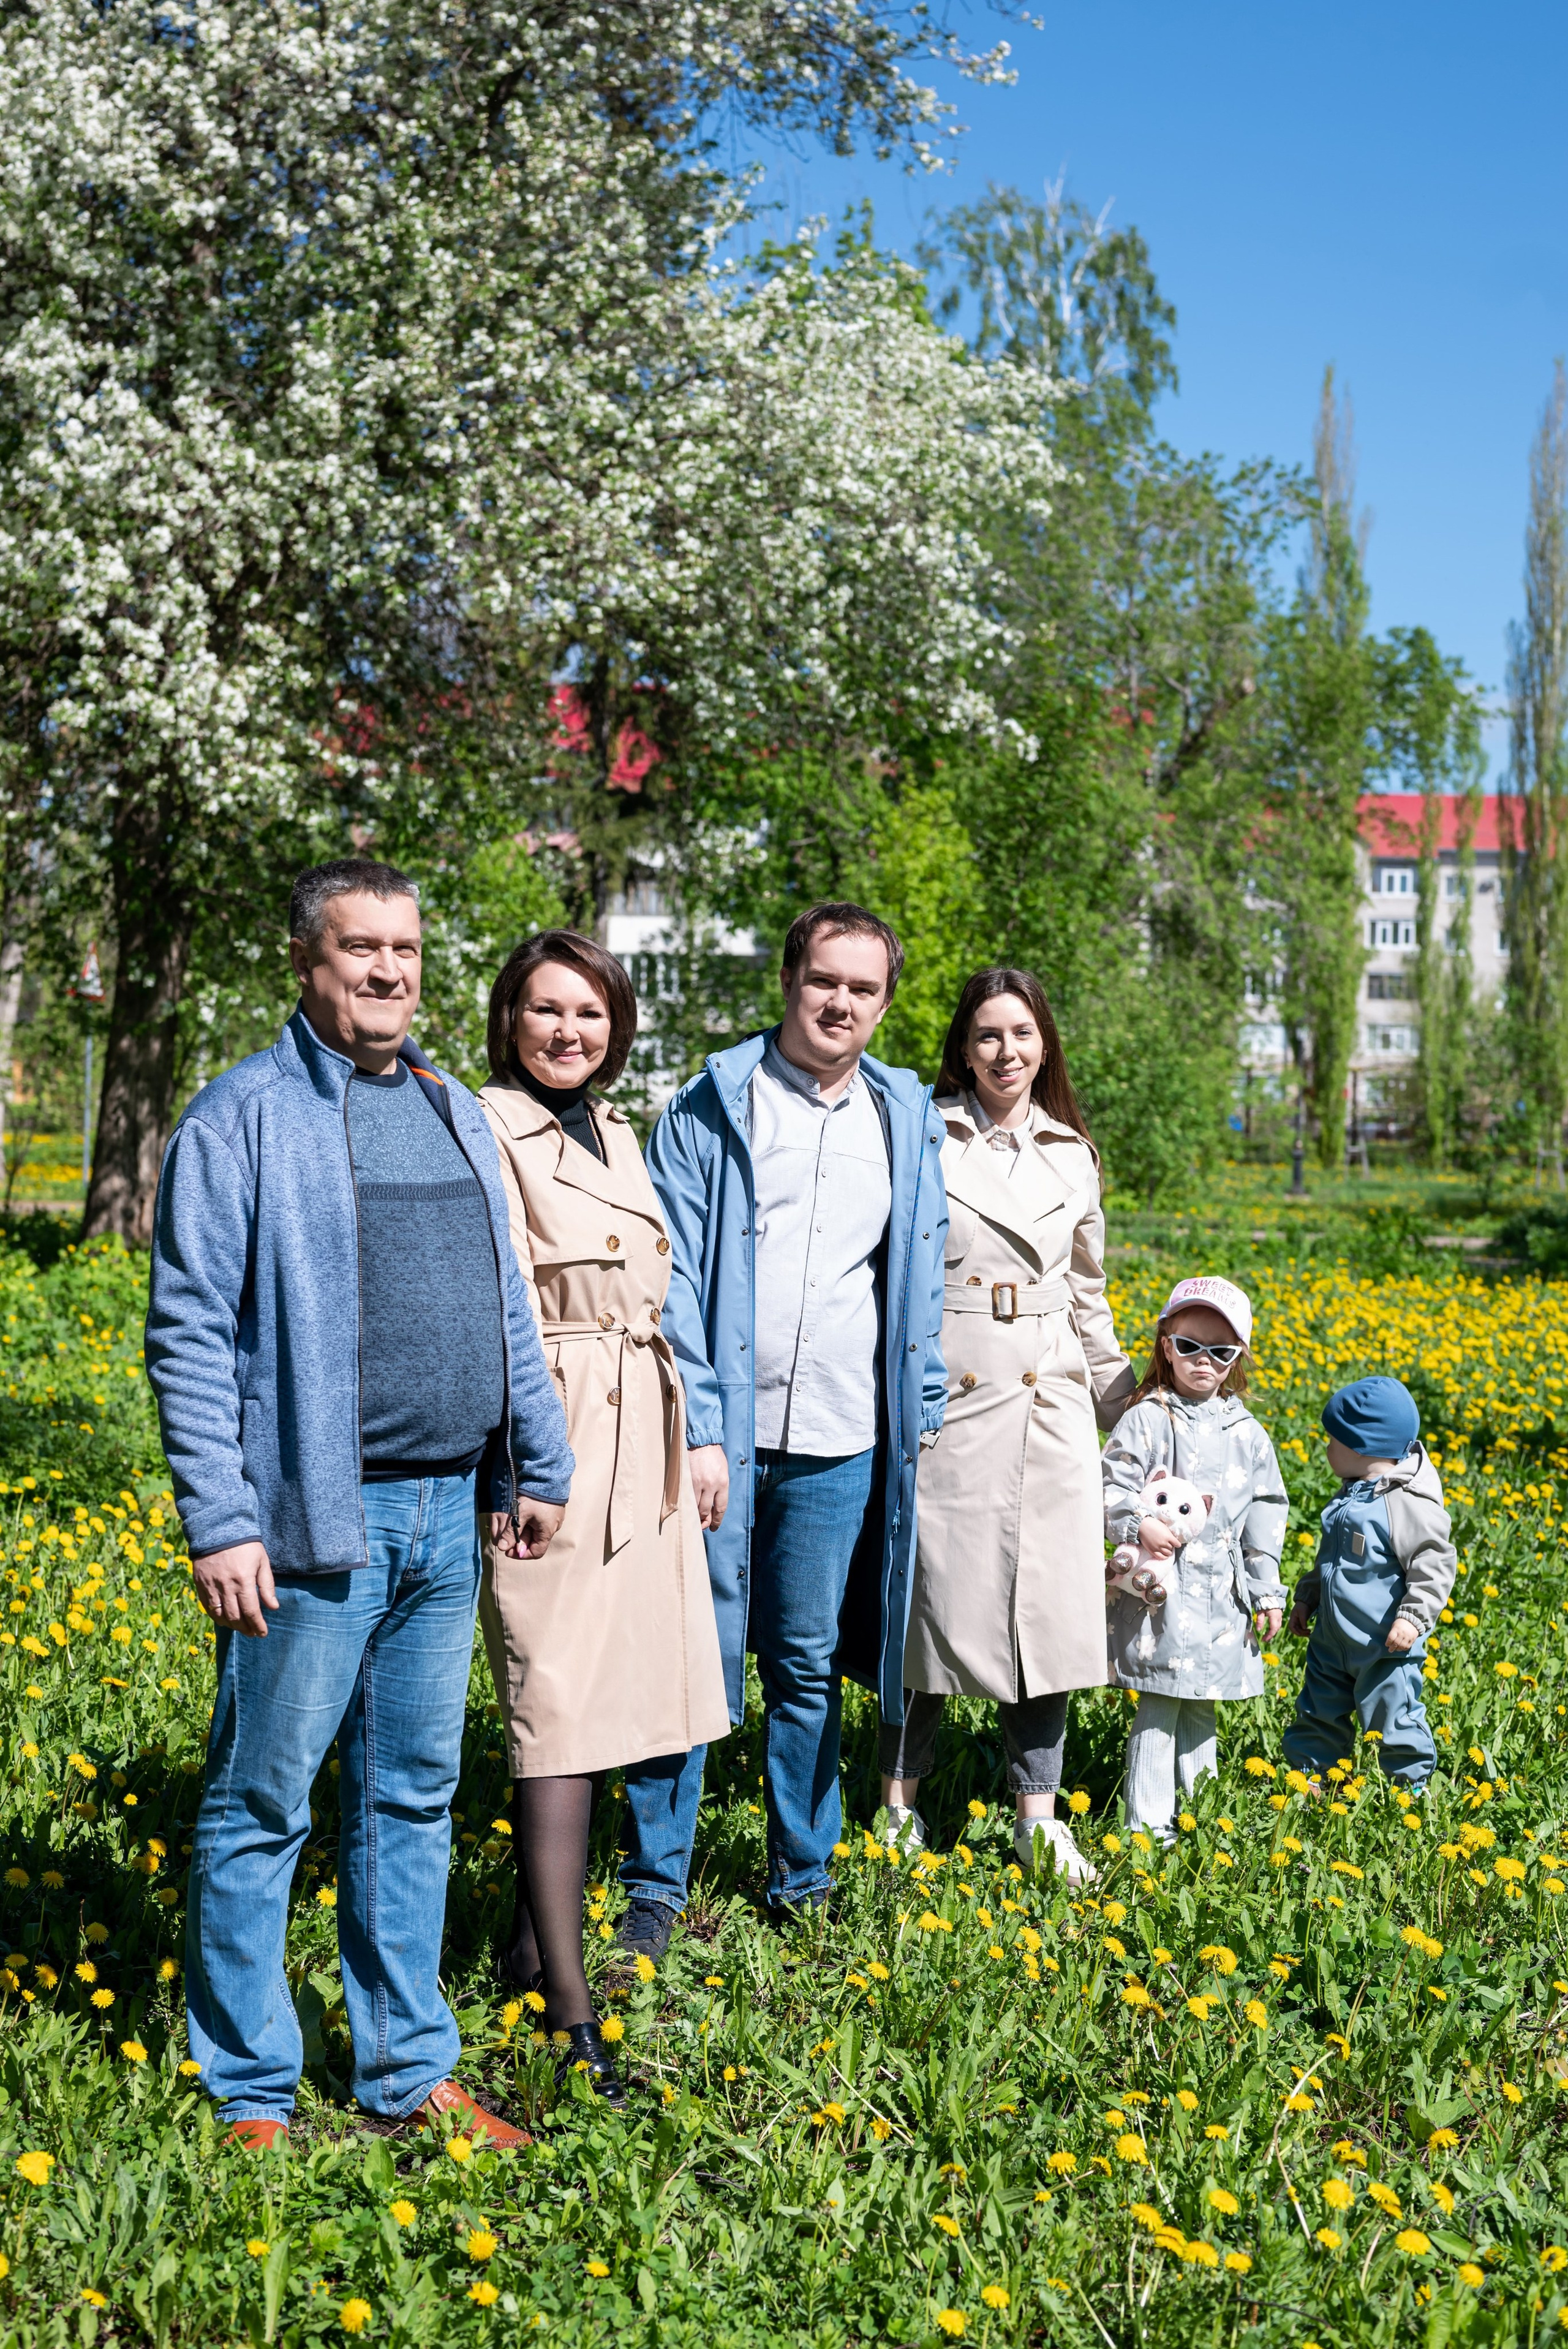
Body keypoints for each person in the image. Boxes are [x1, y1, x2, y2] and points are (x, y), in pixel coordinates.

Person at [145, 858, 573, 2153]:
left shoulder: (446, 1104)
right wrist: (220, 1518)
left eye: (406, 948)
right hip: (307, 1525)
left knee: (410, 1800)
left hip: (448, 1516)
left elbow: (505, 1301)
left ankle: (402, 2072)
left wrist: (531, 1460)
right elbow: (188, 1333)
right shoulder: (242, 1118)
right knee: (262, 1802)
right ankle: (248, 2085)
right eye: (360, 949)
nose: (388, 971)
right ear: (307, 962)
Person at [615, 902, 949, 1949]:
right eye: (824, 980)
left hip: (843, 1433)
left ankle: (803, 1873)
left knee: (805, 1662)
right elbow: (671, 1274)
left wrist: (920, 1401)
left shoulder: (903, 1111)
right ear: (789, 980)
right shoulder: (715, 1102)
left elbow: (923, 1269)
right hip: (720, 1436)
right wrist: (701, 1426)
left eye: (864, 987)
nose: (840, 1001)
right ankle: (655, 1881)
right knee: (691, 1654)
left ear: (885, 1001)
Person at [475, 931, 729, 2097]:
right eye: (545, 1010)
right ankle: (567, 2011)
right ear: (510, 1019)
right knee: (557, 1703)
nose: (568, 1031)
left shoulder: (618, 1126)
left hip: (648, 1427)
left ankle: (533, 1950)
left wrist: (699, 1431)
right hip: (559, 1433)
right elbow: (500, 1307)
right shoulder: (487, 1123)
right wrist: (535, 1453)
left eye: (589, 1011)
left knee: (623, 1694)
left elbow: (658, 1291)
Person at [879, 967, 1134, 1883]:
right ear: (963, 1047)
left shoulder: (1074, 1152)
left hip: (1053, 1397)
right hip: (954, 1390)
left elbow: (1090, 1294)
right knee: (931, 1610)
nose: (1006, 1052)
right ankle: (897, 1802)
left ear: (1045, 1043)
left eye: (1022, 1033)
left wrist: (1125, 1402)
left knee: (1052, 1618)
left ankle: (1039, 1814)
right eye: (988, 1035)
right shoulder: (922, 1137)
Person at [1100, 1276, 1289, 1840]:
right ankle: (1147, 1828)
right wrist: (1139, 1524)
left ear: (1238, 1359)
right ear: (1166, 1345)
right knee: (1159, 1701)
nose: (1203, 1361)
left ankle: (1201, 1820)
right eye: (1189, 1346)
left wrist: (1267, 1590)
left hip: (1223, 1596)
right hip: (1162, 1593)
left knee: (1205, 1699)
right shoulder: (1147, 1417)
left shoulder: (1249, 1434)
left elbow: (1265, 1517)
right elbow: (1108, 1484)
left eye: (1221, 1351)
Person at [1284, 1375, 1454, 1790]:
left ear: (1360, 1445)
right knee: (1318, 1712)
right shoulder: (1349, 1496)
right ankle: (1312, 1782)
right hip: (1332, 1642)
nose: (1326, 1450)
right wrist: (1307, 1597)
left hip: (1384, 1646)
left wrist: (1413, 1618)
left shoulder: (1406, 1503)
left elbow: (1434, 1563)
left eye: (1332, 1441)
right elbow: (1329, 1560)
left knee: (1394, 1718)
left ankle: (1406, 1794)